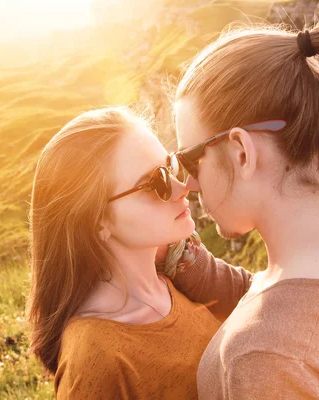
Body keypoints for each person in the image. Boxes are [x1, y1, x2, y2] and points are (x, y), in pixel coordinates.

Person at [159, 2, 319, 398]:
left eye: (191, 159)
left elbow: (287, 322)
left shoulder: (264, 359)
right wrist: (188, 263)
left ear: (242, 152)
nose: (188, 183)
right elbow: (283, 297)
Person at [26, 106, 226, 399]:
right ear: (97, 220)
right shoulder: (94, 361)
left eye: (170, 167)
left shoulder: (179, 274)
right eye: (155, 182)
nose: (181, 187)